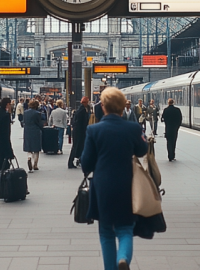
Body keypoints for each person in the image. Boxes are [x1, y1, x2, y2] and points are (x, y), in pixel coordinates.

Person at [81, 87, 147, 270]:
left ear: (103, 107)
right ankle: (123, 258)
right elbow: (142, 150)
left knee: (106, 232)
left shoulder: (94, 130)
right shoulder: (133, 128)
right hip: (128, 183)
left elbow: (86, 163)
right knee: (125, 229)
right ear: (121, 106)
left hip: (102, 185)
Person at [68, 96, 90, 169]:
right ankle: (71, 162)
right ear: (85, 102)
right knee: (76, 146)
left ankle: (74, 161)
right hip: (79, 131)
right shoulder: (83, 110)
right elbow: (83, 122)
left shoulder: (79, 109)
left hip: (77, 130)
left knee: (76, 146)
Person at [23, 100, 44, 172]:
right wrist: (42, 128)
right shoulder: (37, 113)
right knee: (36, 149)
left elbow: (24, 122)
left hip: (27, 131)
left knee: (29, 147)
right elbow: (39, 123)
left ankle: (29, 158)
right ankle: (35, 165)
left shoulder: (25, 112)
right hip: (35, 131)